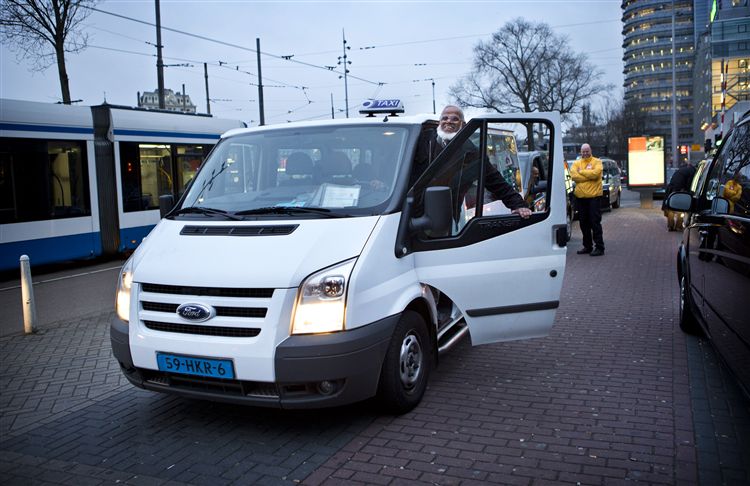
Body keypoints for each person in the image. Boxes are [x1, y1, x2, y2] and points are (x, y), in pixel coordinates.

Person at [413, 105, 532, 219]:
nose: (448, 121)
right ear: (439, 122)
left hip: (444, 217)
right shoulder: (422, 140)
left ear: (463, 125)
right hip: (408, 212)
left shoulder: (472, 153)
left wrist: (518, 205)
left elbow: (495, 181)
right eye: (445, 118)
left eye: (455, 119)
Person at [570, 144, 605, 256]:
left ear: (591, 151)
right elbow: (574, 176)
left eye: (587, 151)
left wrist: (582, 172)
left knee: (595, 222)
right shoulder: (576, 163)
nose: (585, 153)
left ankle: (599, 247)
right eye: (583, 151)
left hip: (594, 198)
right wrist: (587, 176)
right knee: (583, 223)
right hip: (580, 198)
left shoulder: (597, 162)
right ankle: (587, 246)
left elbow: (595, 174)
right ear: (580, 152)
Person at [663, 162, 697, 231]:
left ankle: (671, 226)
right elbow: (689, 184)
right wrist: (690, 193)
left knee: (671, 208)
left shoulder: (683, 170)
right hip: (679, 189)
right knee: (680, 208)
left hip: (671, 188)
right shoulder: (693, 172)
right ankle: (678, 226)